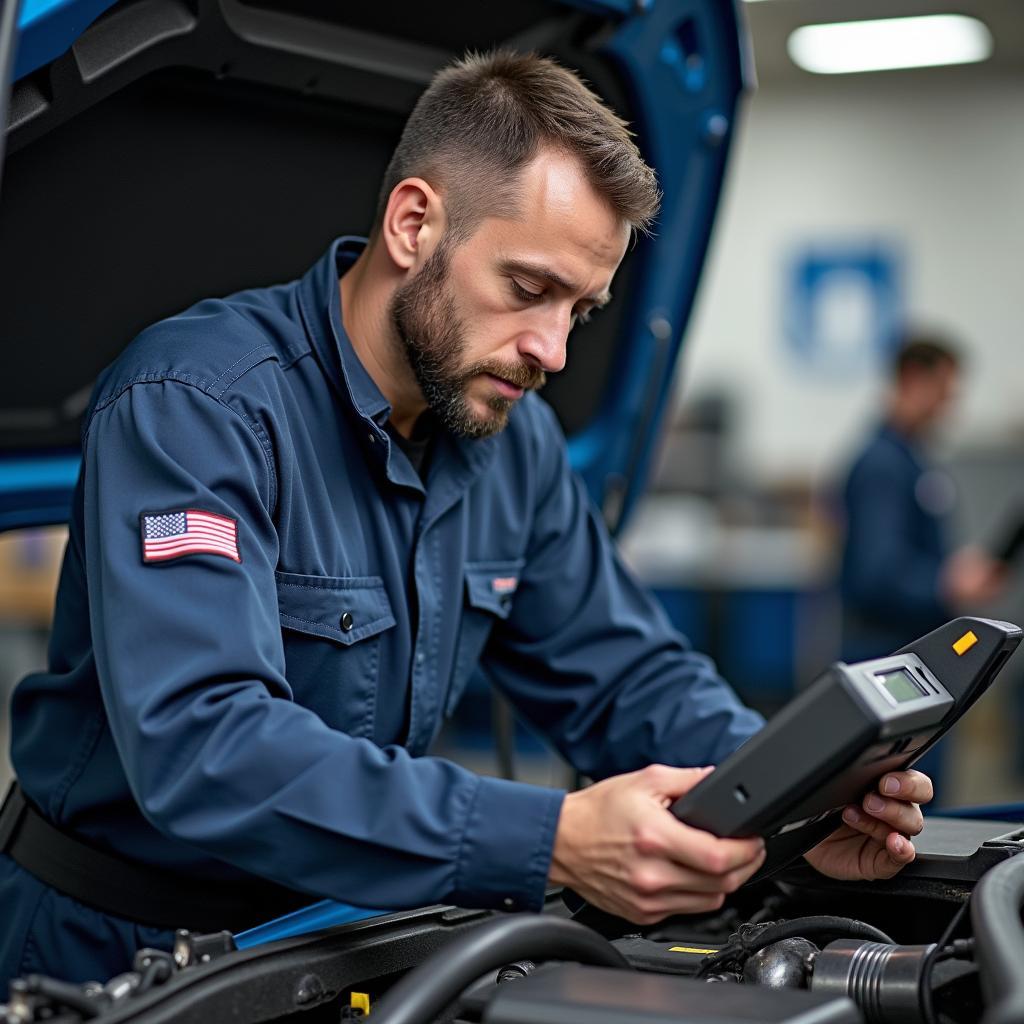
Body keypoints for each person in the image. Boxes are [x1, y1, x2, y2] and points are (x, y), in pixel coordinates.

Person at [0, 51, 931, 987]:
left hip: (335, 942)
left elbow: (627, 679)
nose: (553, 351)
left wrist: (792, 801)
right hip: (115, 952)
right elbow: (205, 744)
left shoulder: (509, 444)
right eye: (528, 290)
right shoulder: (200, 402)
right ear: (414, 223)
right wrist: (549, 839)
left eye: (583, 309)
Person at [839, 336, 1005, 802]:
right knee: (892, 805)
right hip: (889, 662)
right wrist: (944, 582)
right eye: (945, 391)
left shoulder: (911, 460)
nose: (950, 406)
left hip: (916, 660)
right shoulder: (882, 465)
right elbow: (875, 575)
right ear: (914, 380)